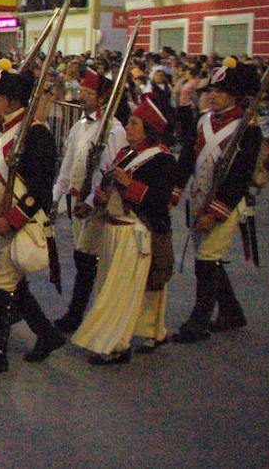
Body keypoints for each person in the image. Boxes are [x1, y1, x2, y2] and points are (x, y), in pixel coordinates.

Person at [0, 61, 64, 375]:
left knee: (1, 287)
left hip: (18, 225)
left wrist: (14, 219)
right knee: (11, 288)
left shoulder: (34, 135)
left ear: (14, 102)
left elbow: (39, 190)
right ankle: (47, 334)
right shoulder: (4, 133)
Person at [71, 96, 176, 364]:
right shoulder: (125, 154)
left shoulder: (162, 160)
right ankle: (135, 334)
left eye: (134, 123)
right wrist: (95, 202)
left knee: (119, 292)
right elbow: (105, 187)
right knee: (108, 286)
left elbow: (160, 199)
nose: (127, 127)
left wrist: (129, 184)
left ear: (148, 129)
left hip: (134, 232)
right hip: (112, 228)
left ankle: (117, 345)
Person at [169, 58, 261, 343]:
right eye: (211, 90)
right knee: (210, 259)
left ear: (234, 95)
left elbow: (240, 177)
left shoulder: (248, 130)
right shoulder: (202, 121)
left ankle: (199, 322)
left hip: (225, 206)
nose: (212, 95)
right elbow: (186, 160)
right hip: (197, 200)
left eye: (219, 91)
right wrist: (173, 192)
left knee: (206, 262)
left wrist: (215, 211)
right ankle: (232, 312)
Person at [52, 68, 127, 334]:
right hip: (76, 202)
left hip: (96, 206)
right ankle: (79, 312)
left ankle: (79, 314)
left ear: (102, 98)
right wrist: (56, 196)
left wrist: (93, 200)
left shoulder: (114, 130)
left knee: (87, 260)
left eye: (88, 93)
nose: (81, 96)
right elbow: (68, 164)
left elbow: (109, 171)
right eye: (81, 91)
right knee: (81, 257)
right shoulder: (78, 126)